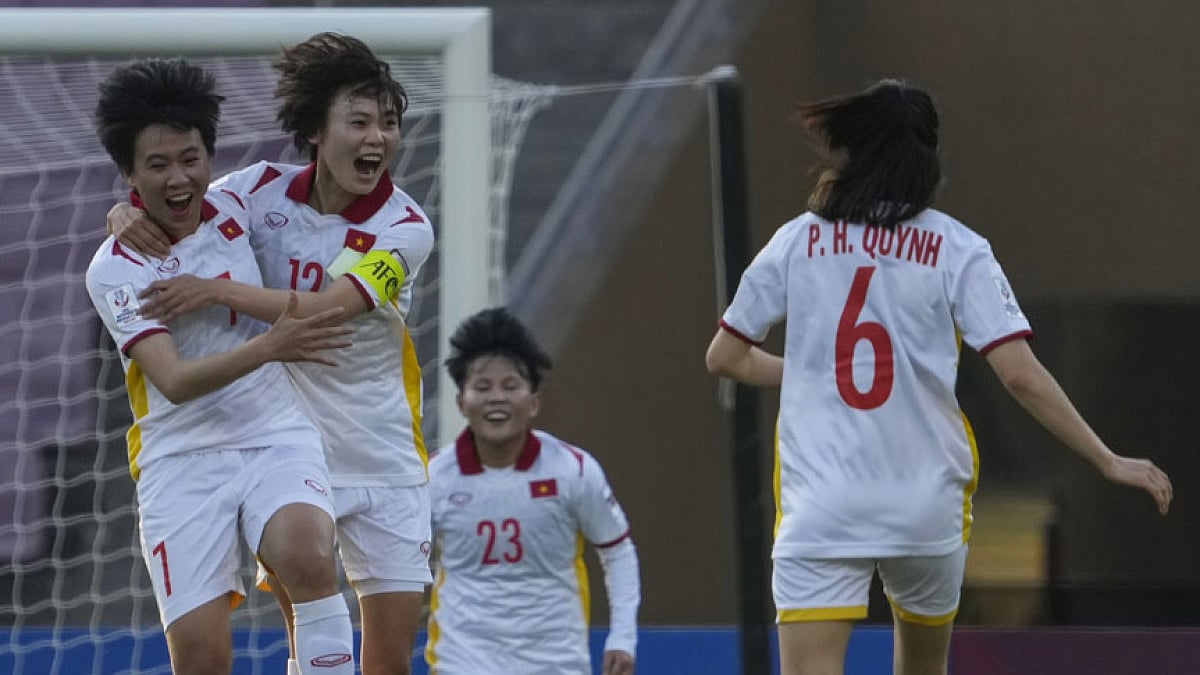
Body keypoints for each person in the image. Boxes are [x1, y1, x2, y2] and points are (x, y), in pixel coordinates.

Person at [704, 79, 1174, 675]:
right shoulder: (958, 248)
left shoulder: (796, 242)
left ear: (852, 152)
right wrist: (1106, 458)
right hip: (924, 507)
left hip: (824, 507)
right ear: (926, 159)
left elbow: (725, 356)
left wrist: (811, 371)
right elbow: (1019, 375)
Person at [107, 34, 435, 675]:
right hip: (290, 446)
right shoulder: (255, 192)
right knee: (308, 630)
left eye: (389, 124)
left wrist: (219, 290)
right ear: (316, 129)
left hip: (385, 450)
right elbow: (182, 200)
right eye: (360, 122)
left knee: (388, 662)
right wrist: (125, 212)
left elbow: (329, 310)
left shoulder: (406, 228)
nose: (378, 139)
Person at [85, 58, 357, 674]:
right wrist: (271, 345)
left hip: (273, 435)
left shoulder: (243, 200)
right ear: (127, 172)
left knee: (310, 555)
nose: (179, 178)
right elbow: (174, 381)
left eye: (191, 158)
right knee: (204, 659)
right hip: (180, 462)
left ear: (211, 156)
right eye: (157, 165)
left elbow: (333, 177)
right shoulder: (115, 267)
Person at [425, 307, 640, 675]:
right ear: (462, 402)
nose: (497, 398)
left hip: (556, 664)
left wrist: (623, 637)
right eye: (482, 387)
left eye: (510, 386)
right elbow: (404, 560)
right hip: (460, 663)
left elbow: (617, 550)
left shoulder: (573, 470)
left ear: (533, 402)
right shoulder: (435, 478)